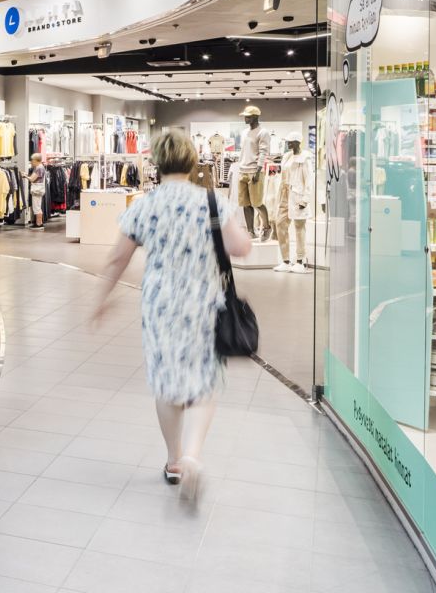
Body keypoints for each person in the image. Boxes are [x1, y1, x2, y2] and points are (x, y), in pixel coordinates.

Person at [92, 128, 252, 502]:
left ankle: (174, 461)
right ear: (192, 160)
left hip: (160, 305)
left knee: (167, 383)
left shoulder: (145, 205)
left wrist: (100, 299)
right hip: (204, 303)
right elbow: (240, 247)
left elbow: (117, 258)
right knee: (203, 380)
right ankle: (193, 455)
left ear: (157, 163)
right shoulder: (212, 202)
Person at [274, 138, 312, 273]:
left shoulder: (305, 158)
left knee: (299, 228)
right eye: (288, 142)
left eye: (291, 142)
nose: (288, 144)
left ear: (298, 142)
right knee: (280, 224)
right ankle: (285, 261)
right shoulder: (287, 156)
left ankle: (300, 261)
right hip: (285, 194)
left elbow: (309, 180)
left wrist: (305, 200)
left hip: (297, 195)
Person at [235, 105, 270, 239]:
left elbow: (263, 152)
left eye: (248, 116)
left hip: (254, 171)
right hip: (242, 170)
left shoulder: (263, 132)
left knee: (257, 203)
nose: (245, 118)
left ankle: (266, 227)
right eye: (245, 116)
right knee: (245, 204)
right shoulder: (244, 132)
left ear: (255, 117)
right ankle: (250, 231)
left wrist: (258, 170)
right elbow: (244, 151)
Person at [28, 152, 47, 228]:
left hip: (37, 190)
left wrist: (25, 176)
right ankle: (39, 223)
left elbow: (32, 179)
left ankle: (39, 224)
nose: (31, 162)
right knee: (37, 206)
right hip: (38, 190)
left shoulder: (39, 168)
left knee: (37, 207)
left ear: (36, 160)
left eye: (32, 160)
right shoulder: (40, 167)